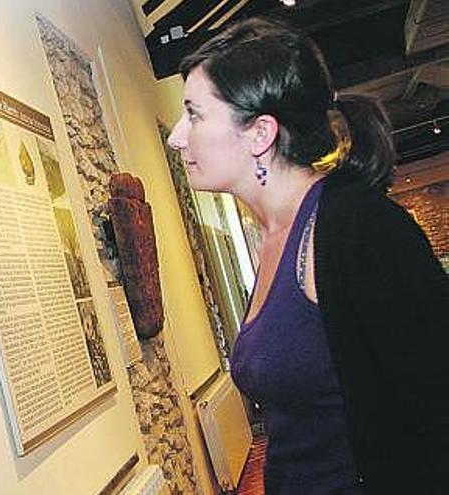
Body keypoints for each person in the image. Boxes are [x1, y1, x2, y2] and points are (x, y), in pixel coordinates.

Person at [166, 18, 449, 494]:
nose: (177, 136)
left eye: (194, 114)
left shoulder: (358, 228)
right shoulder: (277, 233)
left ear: (259, 134)